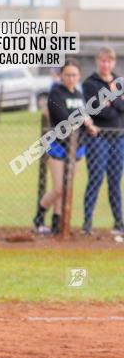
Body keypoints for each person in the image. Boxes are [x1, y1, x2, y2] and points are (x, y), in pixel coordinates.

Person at [33, 60, 98, 235]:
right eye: (67, 74)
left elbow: (85, 116)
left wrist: (89, 124)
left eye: (74, 75)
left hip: (77, 146)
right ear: (61, 75)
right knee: (58, 188)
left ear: (79, 76)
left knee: (67, 187)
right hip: (58, 146)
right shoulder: (55, 94)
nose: (71, 78)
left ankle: (56, 225)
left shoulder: (78, 94)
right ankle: (38, 219)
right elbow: (63, 118)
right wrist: (83, 121)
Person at [81, 47, 124, 236]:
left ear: (113, 63)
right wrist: (115, 103)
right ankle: (87, 222)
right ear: (97, 61)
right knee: (96, 178)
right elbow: (96, 110)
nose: (105, 65)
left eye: (109, 61)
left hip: (118, 138)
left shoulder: (119, 82)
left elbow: (120, 107)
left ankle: (118, 223)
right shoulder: (90, 83)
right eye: (102, 61)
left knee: (115, 181)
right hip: (98, 138)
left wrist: (111, 101)